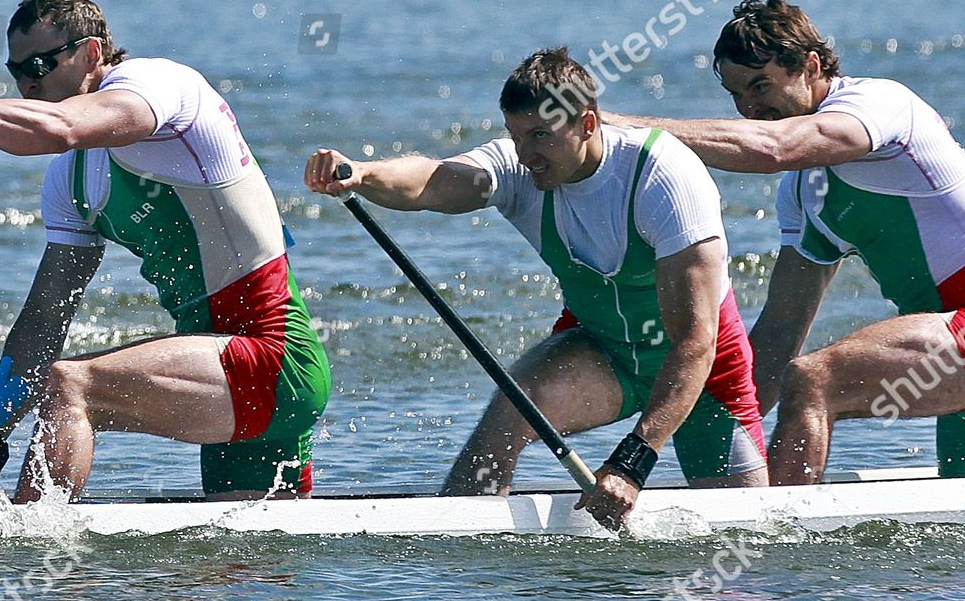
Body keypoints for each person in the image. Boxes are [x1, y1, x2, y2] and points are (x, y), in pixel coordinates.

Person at [0, 0, 330, 502]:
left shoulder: (161, 85)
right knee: (245, 572)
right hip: (211, 369)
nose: (27, 84)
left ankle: (36, 558)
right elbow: (45, 318)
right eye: (17, 71)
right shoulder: (72, 180)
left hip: (273, 357)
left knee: (69, 386)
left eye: (41, 66)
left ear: (91, 54)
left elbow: (57, 127)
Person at [603, 0, 965, 482]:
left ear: (809, 65)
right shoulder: (805, 193)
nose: (749, 108)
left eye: (761, 86)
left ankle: (776, 545)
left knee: (813, 380)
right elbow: (781, 329)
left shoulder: (882, 105)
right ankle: (756, 525)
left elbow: (775, 147)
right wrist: (712, 423)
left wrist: (624, 128)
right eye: (738, 95)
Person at [306, 48, 767, 528]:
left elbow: (695, 342)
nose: (525, 156)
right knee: (510, 408)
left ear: (587, 124)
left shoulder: (662, 175)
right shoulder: (520, 169)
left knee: (744, 546)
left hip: (700, 373)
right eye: (516, 136)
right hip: (604, 353)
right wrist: (361, 174)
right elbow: (433, 182)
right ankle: (466, 565)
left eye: (541, 136)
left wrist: (632, 462)